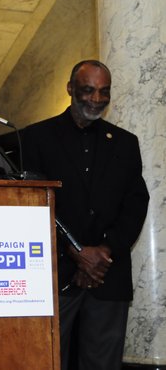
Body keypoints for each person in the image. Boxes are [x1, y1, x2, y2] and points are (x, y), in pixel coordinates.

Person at [21, 60, 149, 370]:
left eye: (104, 92)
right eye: (88, 90)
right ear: (70, 89)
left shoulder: (125, 143)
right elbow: (30, 205)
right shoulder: (35, 137)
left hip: (109, 274)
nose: (96, 99)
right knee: (47, 361)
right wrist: (74, 252)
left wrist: (103, 252)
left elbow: (135, 204)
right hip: (53, 274)